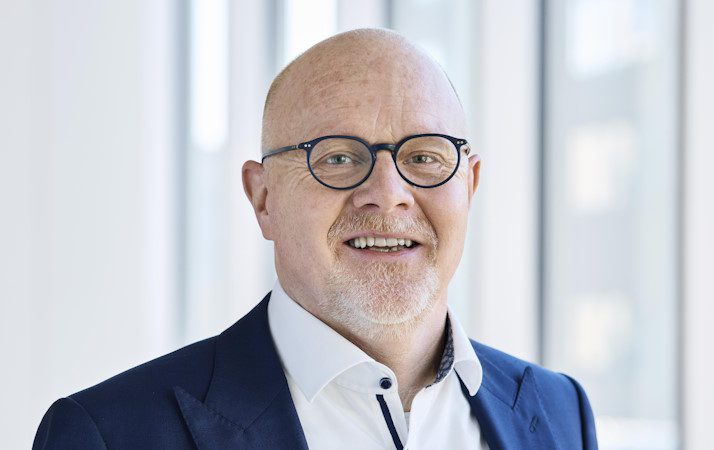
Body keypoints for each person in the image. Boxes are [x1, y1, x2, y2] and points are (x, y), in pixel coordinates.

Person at [34, 28, 597, 449]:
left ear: (468, 186)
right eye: (338, 158)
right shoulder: (109, 434)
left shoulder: (560, 413)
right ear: (263, 198)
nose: (388, 194)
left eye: (424, 157)